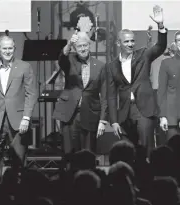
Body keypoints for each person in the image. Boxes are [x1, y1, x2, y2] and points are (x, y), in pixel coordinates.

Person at [106, 5, 167, 154]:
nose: (130, 44)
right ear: (118, 43)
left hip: (144, 110)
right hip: (125, 114)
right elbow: (111, 96)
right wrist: (113, 120)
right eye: (126, 42)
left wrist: (160, 26)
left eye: (132, 41)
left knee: (146, 152)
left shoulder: (143, 55)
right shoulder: (112, 66)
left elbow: (160, 46)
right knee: (127, 154)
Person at [0, 35, 38, 173]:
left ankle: (17, 191)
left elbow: (31, 94)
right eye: (4, 48)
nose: (7, 51)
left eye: (10, 48)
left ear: (14, 49)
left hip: (18, 121)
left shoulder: (25, 67)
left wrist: (26, 118)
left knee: (18, 162)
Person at [53, 31, 108, 154]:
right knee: (69, 153)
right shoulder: (70, 60)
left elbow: (105, 95)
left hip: (90, 113)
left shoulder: (100, 66)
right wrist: (69, 44)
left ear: (89, 45)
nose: (83, 49)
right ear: (74, 48)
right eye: (79, 46)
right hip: (70, 115)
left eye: (85, 45)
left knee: (88, 154)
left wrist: (103, 120)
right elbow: (61, 58)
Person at [157, 31, 180, 142]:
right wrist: (162, 116)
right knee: (173, 153)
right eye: (179, 40)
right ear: (175, 43)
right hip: (172, 118)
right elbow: (161, 91)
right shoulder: (166, 63)